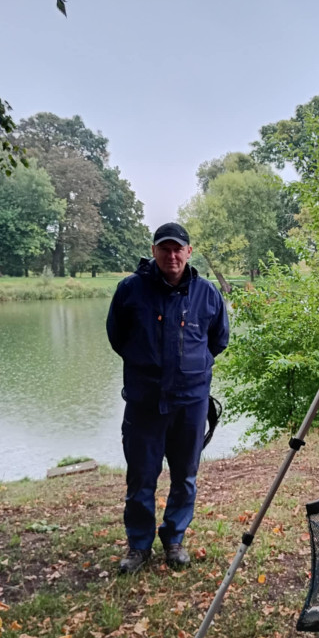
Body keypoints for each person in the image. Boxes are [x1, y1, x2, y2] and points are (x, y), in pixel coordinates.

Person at [106, 222, 229, 573]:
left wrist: (192, 368)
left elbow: (218, 340)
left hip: (190, 404)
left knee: (185, 477)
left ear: (189, 252)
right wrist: (147, 365)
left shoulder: (207, 293)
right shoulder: (130, 289)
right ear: (154, 251)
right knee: (141, 478)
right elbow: (117, 337)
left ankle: (174, 539)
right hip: (144, 403)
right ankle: (138, 545)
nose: (171, 255)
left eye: (178, 249)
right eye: (165, 248)